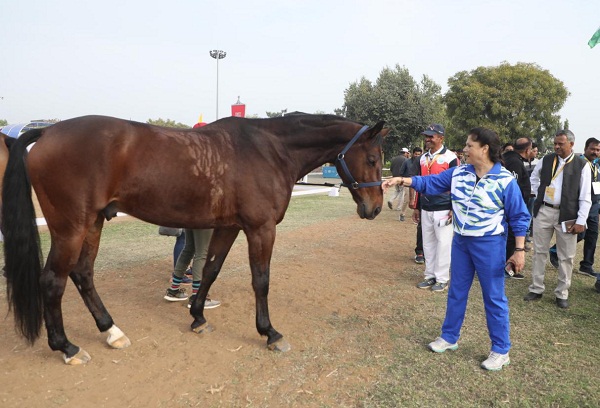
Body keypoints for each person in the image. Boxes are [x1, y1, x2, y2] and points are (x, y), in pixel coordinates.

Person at [383, 127, 530, 371]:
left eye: (469, 145)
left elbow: (519, 217)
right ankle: (449, 337)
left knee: (493, 297)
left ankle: (501, 350)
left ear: (484, 149)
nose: (465, 149)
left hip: (490, 244)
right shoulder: (459, 173)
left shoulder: (505, 180)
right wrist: (401, 179)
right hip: (461, 242)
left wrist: (519, 250)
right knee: (457, 291)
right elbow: (429, 181)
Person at [524, 129, 591, 309]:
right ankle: (536, 288)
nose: (556, 146)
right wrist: (538, 194)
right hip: (545, 210)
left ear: (571, 144)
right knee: (539, 252)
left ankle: (562, 293)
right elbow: (534, 178)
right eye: (555, 143)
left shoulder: (581, 165)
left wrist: (580, 220)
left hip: (568, 215)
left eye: (560, 144)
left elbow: (585, 196)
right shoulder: (546, 160)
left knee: (566, 256)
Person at [413, 124, 459, 292]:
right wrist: (416, 207)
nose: (428, 139)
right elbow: (418, 183)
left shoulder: (450, 157)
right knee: (428, 243)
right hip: (426, 206)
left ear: (441, 138)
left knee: (444, 243)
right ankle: (429, 275)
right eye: (426, 135)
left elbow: (457, 183)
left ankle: (442, 278)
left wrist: (454, 207)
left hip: (443, 207)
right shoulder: (422, 158)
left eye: (431, 136)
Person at [548, 137, 600, 278]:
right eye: (592, 149)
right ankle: (554, 251)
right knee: (579, 234)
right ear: (585, 149)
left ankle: (586, 265)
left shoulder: (596, 165)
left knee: (593, 236)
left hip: (594, 207)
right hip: (579, 207)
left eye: (598, 150)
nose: (595, 152)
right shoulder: (578, 164)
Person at [164, 228, 221, 309]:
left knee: (188, 249)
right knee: (202, 253)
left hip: (190, 217)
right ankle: (198, 297)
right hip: (202, 217)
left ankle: (173, 290)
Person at [502, 137, 533, 279]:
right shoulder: (514, 162)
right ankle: (507, 267)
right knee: (510, 238)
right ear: (527, 150)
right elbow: (513, 188)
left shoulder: (511, 159)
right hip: (511, 208)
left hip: (511, 207)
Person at [401, 147, 425, 262]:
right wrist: (412, 201)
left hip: (441, 201)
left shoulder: (448, 158)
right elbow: (412, 180)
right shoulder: (419, 161)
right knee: (421, 226)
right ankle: (420, 252)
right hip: (422, 197)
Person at [387, 148, 410, 219]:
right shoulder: (405, 160)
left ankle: (391, 200)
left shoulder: (394, 159)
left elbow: (391, 168)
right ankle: (399, 207)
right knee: (402, 193)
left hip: (394, 177)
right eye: (407, 153)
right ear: (405, 153)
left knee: (397, 190)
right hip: (401, 178)